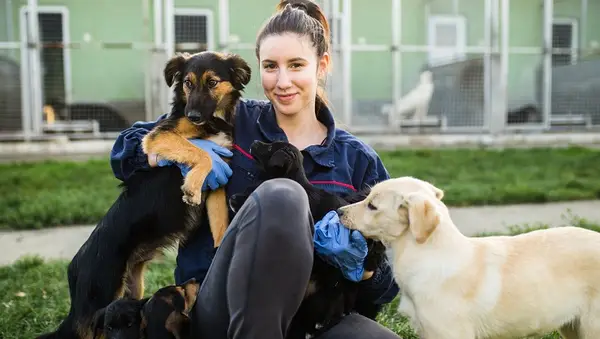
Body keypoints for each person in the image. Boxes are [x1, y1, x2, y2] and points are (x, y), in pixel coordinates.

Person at [109, 0, 400, 338]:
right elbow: (126, 151)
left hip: (313, 317)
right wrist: (184, 154)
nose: (282, 81)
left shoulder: (358, 160)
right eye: (270, 66)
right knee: (284, 195)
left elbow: (390, 283)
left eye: (296, 65)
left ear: (322, 66)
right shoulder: (229, 118)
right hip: (220, 305)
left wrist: (363, 268)